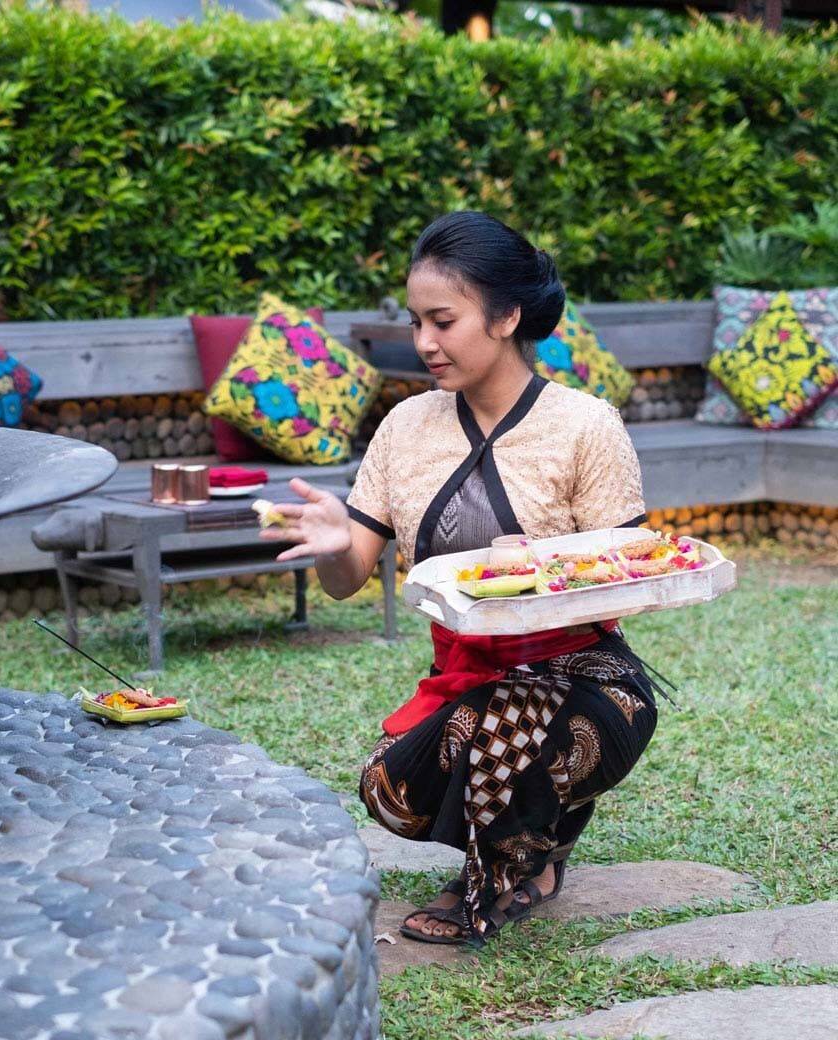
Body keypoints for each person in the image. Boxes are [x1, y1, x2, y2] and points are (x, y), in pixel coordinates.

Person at [261, 211, 660, 947]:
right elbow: (347, 579)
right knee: (390, 790)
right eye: (417, 322)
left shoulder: (585, 425)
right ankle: (545, 829)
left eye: (443, 321)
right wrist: (328, 544)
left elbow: (630, 578)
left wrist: (541, 567)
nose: (423, 344)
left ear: (507, 315)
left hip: (589, 682)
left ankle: (502, 879)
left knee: (504, 719)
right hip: (463, 675)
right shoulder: (405, 427)